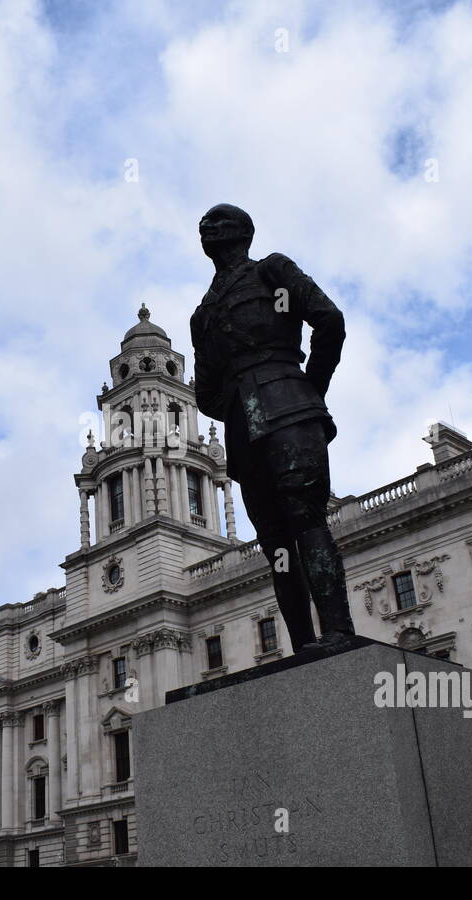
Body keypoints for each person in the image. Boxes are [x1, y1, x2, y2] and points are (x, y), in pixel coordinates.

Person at [190, 203, 357, 652]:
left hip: (291, 408)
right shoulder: (201, 316)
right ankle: (303, 644)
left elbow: (329, 320)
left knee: (307, 518)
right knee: (274, 543)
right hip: (245, 432)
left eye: (220, 223)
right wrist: (235, 402)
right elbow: (204, 391)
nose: (209, 229)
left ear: (244, 232)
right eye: (204, 226)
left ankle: (338, 631)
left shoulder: (272, 270)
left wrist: (308, 389)